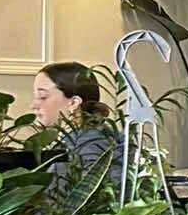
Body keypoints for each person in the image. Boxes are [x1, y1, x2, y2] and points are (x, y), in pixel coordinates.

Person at [31, 61, 123, 193]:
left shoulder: (89, 145)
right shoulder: (100, 135)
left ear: (74, 103)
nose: (33, 105)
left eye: (42, 96)